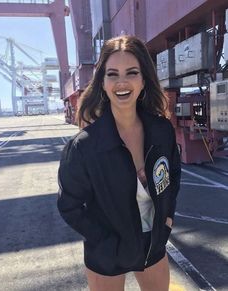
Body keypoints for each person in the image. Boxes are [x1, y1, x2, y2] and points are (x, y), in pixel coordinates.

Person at [57, 35, 181, 291]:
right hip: (107, 255)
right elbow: (69, 206)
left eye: (131, 72)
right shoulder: (84, 147)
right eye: (112, 74)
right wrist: (106, 241)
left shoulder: (161, 131)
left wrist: (167, 220)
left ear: (143, 79)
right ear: (102, 83)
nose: (121, 82)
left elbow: (174, 177)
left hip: (153, 245)